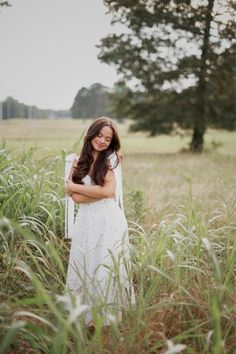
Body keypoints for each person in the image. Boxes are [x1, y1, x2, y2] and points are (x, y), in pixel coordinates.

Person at [65, 117, 135, 330]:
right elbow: (74, 198)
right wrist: (89, 191)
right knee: (87, 262)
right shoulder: (77, 161)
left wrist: (75, 187)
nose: (103, 141)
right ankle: (87, 315)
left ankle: (108, 315)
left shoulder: (110, 160)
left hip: (108, 219)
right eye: (99, 135)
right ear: (91, 134)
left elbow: (108, 192)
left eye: (108, 138)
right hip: (85, 220)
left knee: (105, 264)